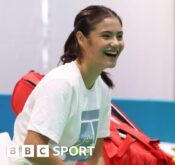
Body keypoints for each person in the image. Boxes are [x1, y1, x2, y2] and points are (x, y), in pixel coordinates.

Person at [10, 5, 124, 165]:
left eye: (119, 36)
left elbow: (95, 157)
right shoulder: (62, 83)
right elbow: (32, 147)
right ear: (81, 39)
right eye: (106, 36)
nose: (115, 43)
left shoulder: (103, 89)